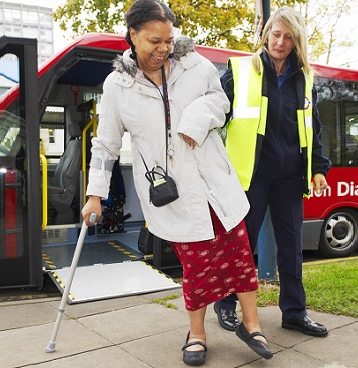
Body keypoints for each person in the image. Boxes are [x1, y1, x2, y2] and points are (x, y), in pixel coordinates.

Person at [80, 0, 272, 365]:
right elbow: (105, 145)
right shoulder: (117, 85)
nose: (164, 48)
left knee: (239, 253)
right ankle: (196, 334)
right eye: (155, 40)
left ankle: (252, 324)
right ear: (133, 35)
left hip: (215, 182)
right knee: (197, 264)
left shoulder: (194, 65)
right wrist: (95, 195)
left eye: (168, 40)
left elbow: (220, 101)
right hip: (173, 192)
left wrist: (196, 119)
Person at [214, 6, 332, 338]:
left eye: (288, 37)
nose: (280, 42)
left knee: (292, 247)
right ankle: (225, 306)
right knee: (240, 245)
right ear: (266, 35)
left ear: (297, 42)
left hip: (291, 177)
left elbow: (314, 128)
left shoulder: (305, 79)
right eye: (275, 34)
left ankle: (294, 312)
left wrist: (319, 168)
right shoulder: (240, 70)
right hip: (250, 177)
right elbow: (216, 117)